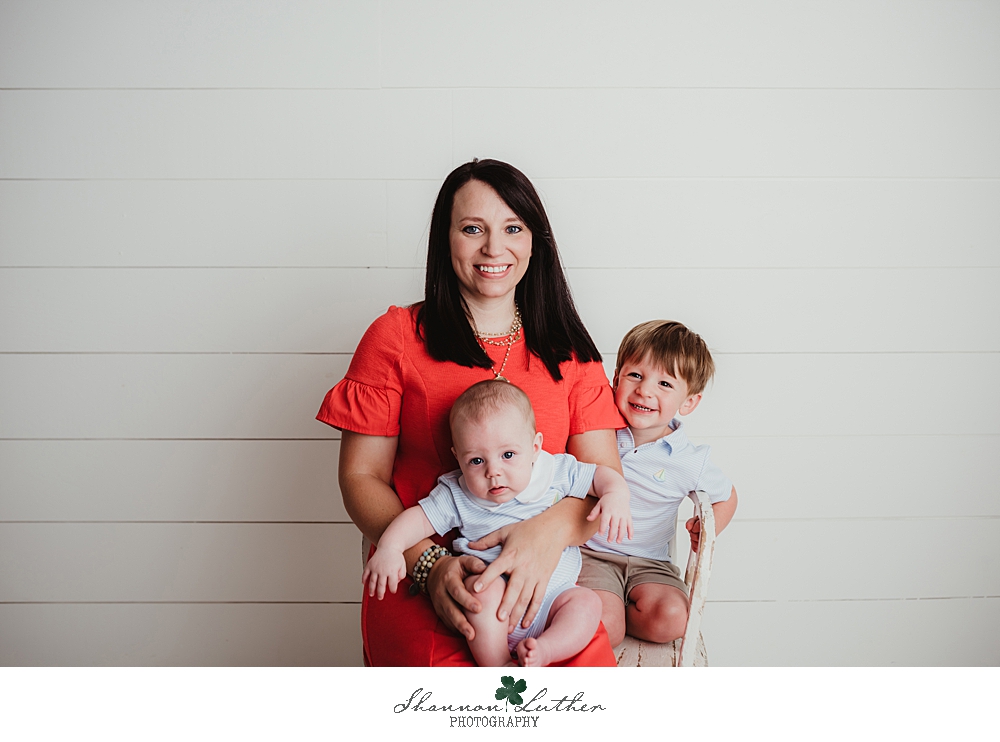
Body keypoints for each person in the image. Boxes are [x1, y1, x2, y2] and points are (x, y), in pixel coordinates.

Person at [317, 158, 626, 666]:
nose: (494, 248)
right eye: (472, 229)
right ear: (446, 239)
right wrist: (430, 565)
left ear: (536, 241)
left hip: (542, 590)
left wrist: (545, 535)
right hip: (426, 583)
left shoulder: (570, 351)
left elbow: (603, 482)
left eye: (513, 228)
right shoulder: (395, 338)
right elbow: (360, 477)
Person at [362, 380, 632, 666]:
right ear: (458, 457)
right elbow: (417, 519)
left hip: (553, 598)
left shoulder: (554, 472)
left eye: (508, 455)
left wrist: (615, 494)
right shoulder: (457, 494)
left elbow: (600, 476)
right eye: (476, 461)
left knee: (587, 604)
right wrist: (391, 548)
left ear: (535, 447)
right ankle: (499, 664)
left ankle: (545, 651)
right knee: (481, 594)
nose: (493, 472)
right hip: (493, 601)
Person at [578, 320, 739, 646]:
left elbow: (728, 495)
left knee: (674, 618)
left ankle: (627, 611)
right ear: (616, 379)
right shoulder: (598, 434)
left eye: (665, 383)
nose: (645, 390)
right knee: (603, 626)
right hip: (591, 554)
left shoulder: (689, 459)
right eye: (635, 376)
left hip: (650, 563)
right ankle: (614, 614)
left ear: (688, 402)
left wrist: (707, 529)